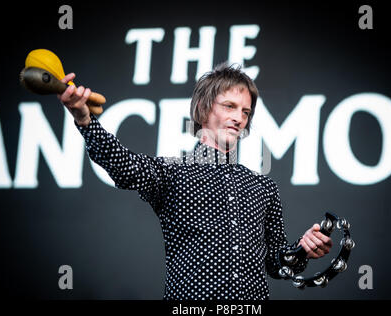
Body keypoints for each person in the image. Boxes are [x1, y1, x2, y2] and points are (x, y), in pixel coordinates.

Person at [57, 63, 333, 300]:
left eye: (246, 112)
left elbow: (276, 264)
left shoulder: (263, 187)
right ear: (202, 109)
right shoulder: (172, 173)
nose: (238, 118)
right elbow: (122, 165)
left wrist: (303, 249)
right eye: (229, 106)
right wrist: (85, 119)